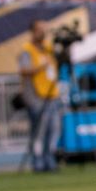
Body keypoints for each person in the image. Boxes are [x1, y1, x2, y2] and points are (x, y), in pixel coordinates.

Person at [18, 19, 61, 173]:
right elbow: (23, 70)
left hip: (52, 94)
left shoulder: (49, 48)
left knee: (53, 129)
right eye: (39, 29)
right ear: (32, 32)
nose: (43, 32)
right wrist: (39, 68)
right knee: (39, 132)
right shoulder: (27, 49)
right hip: (37, 96)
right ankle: (38, 162)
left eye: (44, 29)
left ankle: (50, 160)